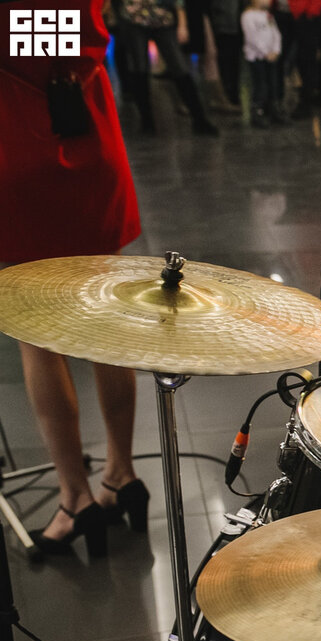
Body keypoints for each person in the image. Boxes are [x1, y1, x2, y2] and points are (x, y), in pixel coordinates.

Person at [1, 0, 149, 557]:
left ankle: (75, 497)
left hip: (18, 146)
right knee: (107, 324)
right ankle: (121, 473)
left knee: (38, 338)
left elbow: (25, 42)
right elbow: (72, 35)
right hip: (90, 140)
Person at [114, 0, 220, 135]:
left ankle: (199, 119)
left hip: (161, 18)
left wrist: (182, 24)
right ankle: (147, 122)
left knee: (178, 67)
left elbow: (178, 2)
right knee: (140, 70)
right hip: (135, 18)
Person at [243, 0, 286, 127]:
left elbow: (276, 33)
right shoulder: (248, 16)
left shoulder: (268, 15)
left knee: (272, 83)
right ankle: (257, 112)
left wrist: (276, 50)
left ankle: (273, 110)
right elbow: (252, 38)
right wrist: (265, 52)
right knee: (260, 85)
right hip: (257, 57)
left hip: (271, 57)